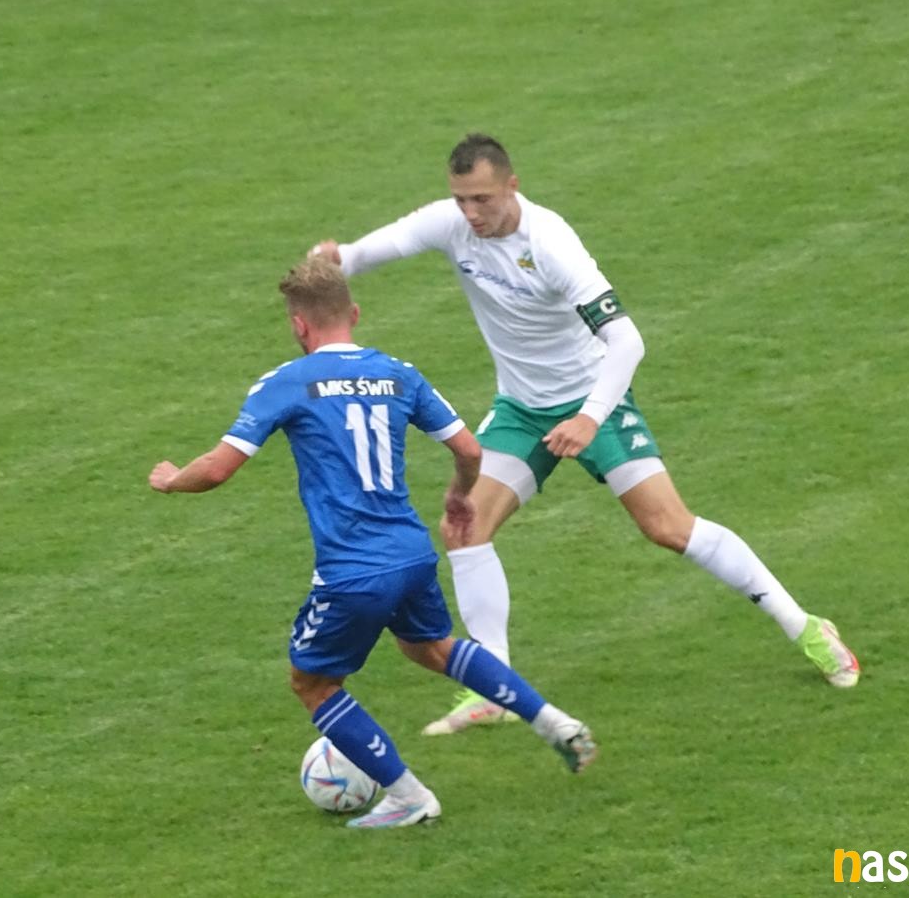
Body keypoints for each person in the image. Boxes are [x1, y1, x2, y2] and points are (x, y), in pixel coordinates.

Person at [309, 133, 860, 736]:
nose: (470, 212)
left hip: (596, 399)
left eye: (482, 199)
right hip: (522, 409)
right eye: (461, 199)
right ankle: (494, 688)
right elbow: (372, 251)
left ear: (512, 186)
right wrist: (335, 259)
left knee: (668, 527)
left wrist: (589, 417)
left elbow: (627, 340)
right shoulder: (451, 224)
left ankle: (807, 627)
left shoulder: (551, 243)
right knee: (464, 527)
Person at [148, 257, 597, 829]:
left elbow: (216, 469)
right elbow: (469, 450)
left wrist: (172, 480)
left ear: (298, 324)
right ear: (353, 314)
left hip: (352, 568)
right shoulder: (397, 373)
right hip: (410, 552)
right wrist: (459, 496)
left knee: (312, 682)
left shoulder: (285, 381)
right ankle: (556, 723)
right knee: (431, 647)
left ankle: (410, 797)